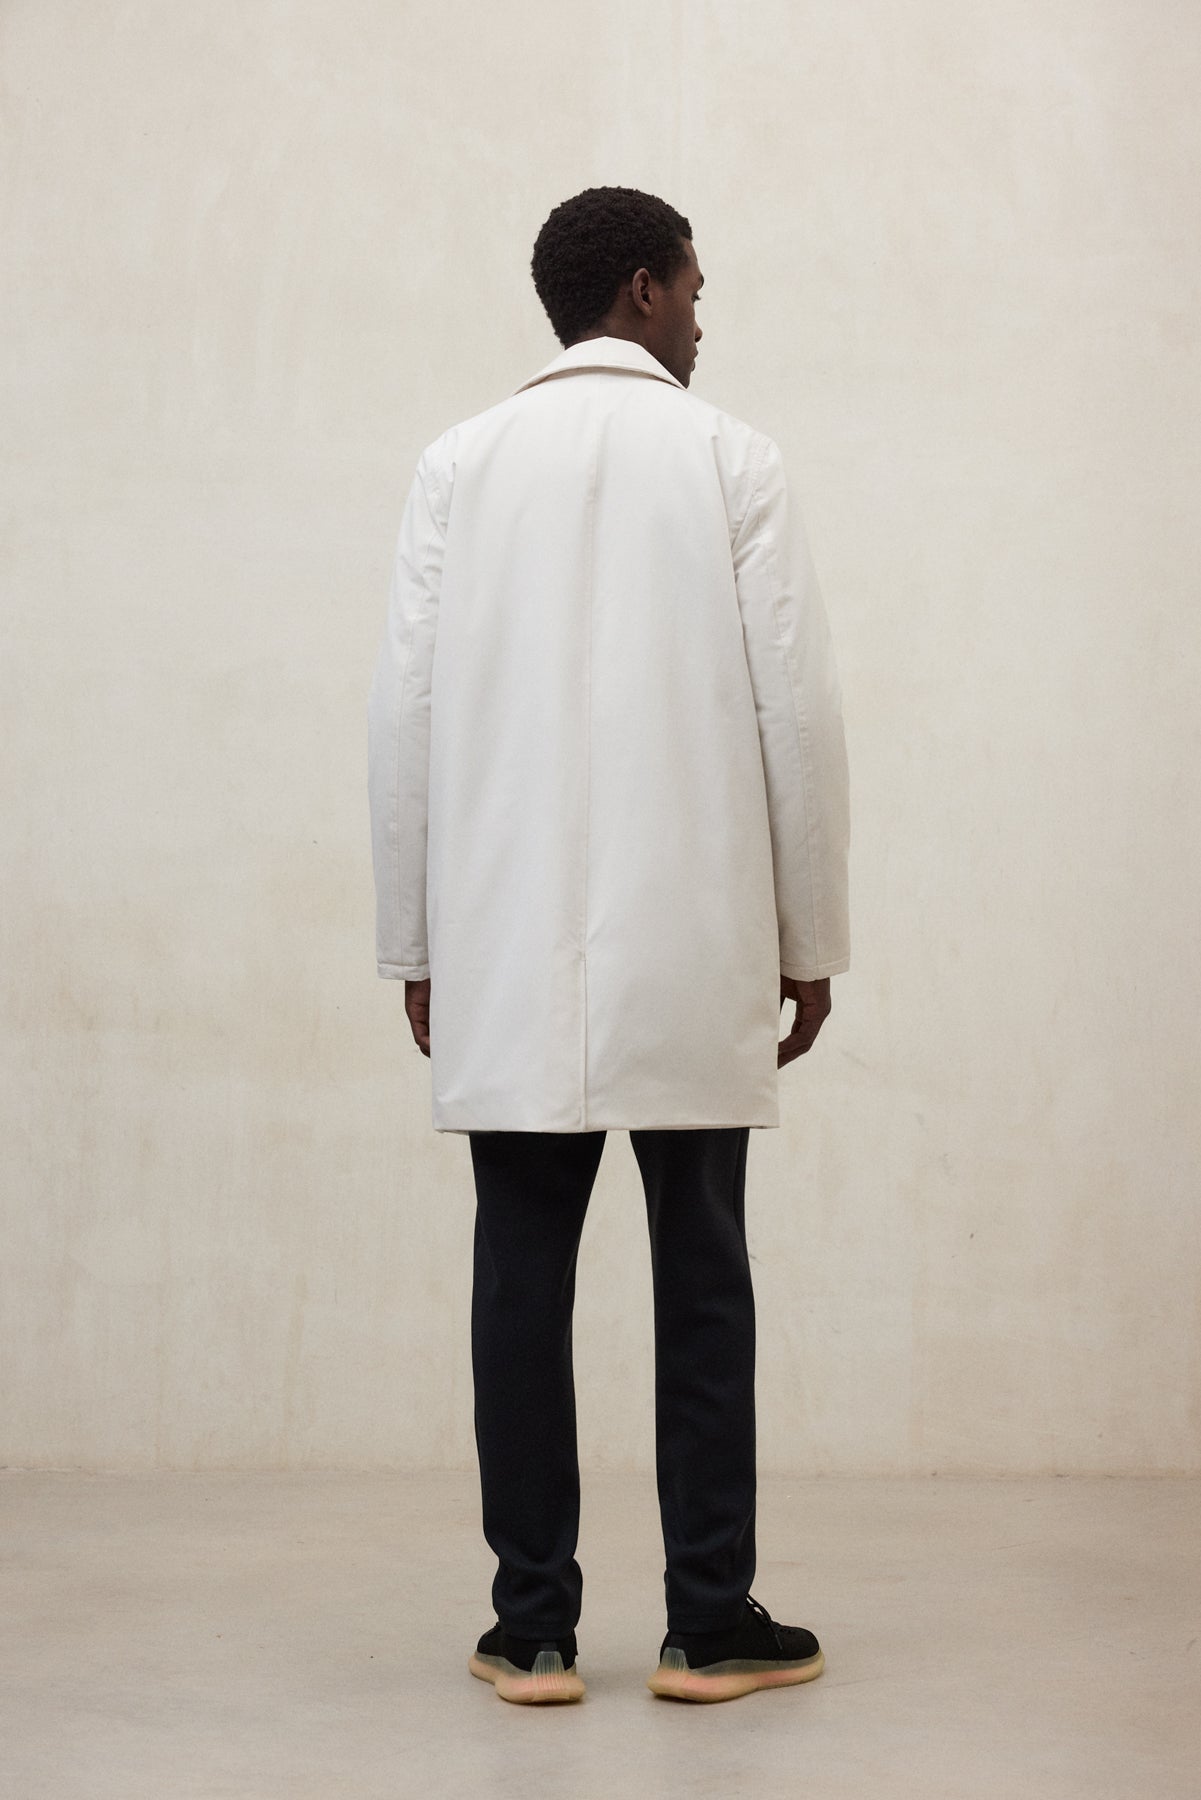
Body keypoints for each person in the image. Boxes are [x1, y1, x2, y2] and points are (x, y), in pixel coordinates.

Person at [367, 185, 851, 1705]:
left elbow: (405, 715)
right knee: (703, 1275)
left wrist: (416, 942)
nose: (703, 316)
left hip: (504, 938)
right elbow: (794, 714)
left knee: (519, 1279)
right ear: (642, 287)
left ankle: (531, 1628)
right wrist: (809, 934)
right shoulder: (730, 459)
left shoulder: (460, 462)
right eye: (695, 287)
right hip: (694, 933)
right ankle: (708, 1620)